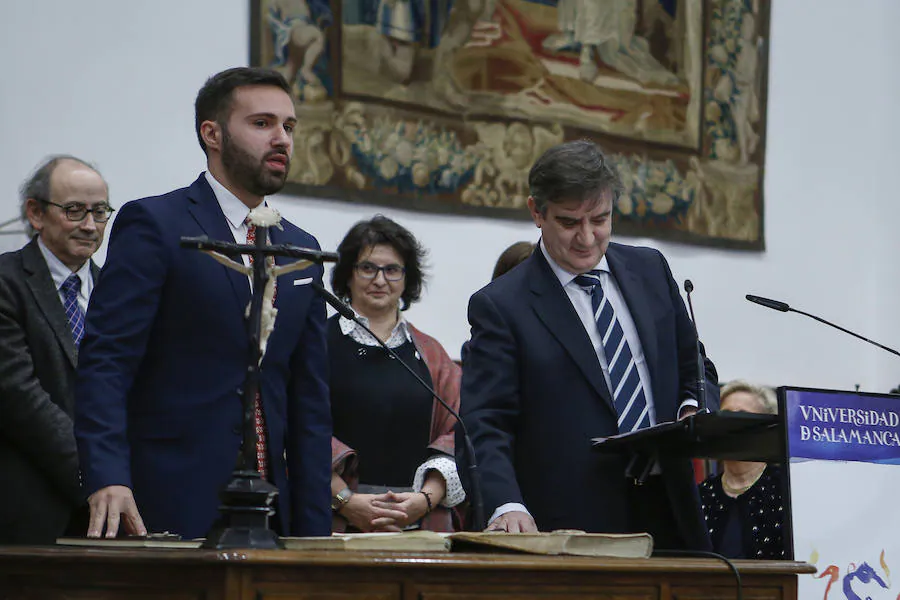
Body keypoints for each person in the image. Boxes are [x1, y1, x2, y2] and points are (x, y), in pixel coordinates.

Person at [74, 67, 332, 540]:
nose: (282, 139)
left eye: (289, 127)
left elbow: (309, 400)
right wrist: (107, 474)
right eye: (262, 124)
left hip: (273, 511)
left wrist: (315, 531)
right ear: (211, 134)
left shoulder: (301, 250)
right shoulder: (157, 224)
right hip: (170, 495)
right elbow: (107, 361)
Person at [458, 140, 718, 549]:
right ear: (536, 213)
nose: (587, 237)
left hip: (669, 507)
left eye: (600, 219)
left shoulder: (650, 270)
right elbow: (484, 422)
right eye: (569, 222)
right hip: (570, 522)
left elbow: (695, 366)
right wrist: (506, 503)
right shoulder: (501, 305)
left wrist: (692, 408)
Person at [328, 215, 465, 532]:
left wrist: (425, 500)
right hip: (335, 517)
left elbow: (458, 433)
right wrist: (348, 502)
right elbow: (298, 431)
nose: (379, 280)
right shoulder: (317, 345)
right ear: (348, 273)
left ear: (407, 279)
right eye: (367, 268)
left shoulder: (432, 355)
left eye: (391, 270)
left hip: (418, 520)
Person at [0, 156, 111, 544]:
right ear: (36, 212)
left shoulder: (119, 293)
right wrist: (100, 472)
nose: (90, 225)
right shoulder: (5, 281)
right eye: (74, 210)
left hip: (111, 517)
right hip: (26, 515)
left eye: (99, 212)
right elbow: (18, 396)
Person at [699, 381, 785, 559]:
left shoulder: (785, 491)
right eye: (726, 417)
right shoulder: (702, 494)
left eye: (742, 417)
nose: (732, 426)